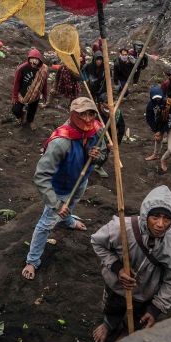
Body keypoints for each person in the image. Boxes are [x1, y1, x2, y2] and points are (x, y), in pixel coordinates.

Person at [90, 185, 171, 342]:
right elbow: (97, 242)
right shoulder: (121, 228)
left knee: (138, 318)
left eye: (166, 219)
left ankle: (127, 332)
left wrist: (156, 308)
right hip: (116, 286)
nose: (161, 224)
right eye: (155, 217)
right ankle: (109, 324)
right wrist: (117, 268)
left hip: (146, 293)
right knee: (112, 307)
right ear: (145, 215)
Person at [21, 97, 105, 280]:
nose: (88, 119)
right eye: (83, 115)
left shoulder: (97, 129)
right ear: (73, 115)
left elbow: (104, 151)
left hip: (81, 181)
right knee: (46, 224)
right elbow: (41, 176)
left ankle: (69, 221)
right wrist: (56, 203)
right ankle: (32, 260)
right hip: (60, 188)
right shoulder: (60, 142)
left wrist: (97, 156)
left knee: (72, 205)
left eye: (91, 113)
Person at [11, 49, 49, 130]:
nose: (33, 62)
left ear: (39, 60)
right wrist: (14, 96)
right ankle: (20, 116)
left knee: (32, 109)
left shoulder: (43, 69)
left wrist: (45, 94)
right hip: (22, 94)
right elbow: (16, 83)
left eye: (36, 60)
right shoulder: (22, 68)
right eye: (32, 59)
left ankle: (30, 121)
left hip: (35, 94)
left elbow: (44, 83)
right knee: (15, 110)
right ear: (29, 59)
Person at [145, 85, 171, 173]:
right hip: (159, 124)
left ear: (162, 95)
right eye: (155, 98)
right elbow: (149, 118)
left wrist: (161, 131)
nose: (157, 99)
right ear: (151, 97)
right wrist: (156, 131)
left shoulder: (169, 103)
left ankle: (163, 159)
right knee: (158, 139)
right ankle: (156, 154)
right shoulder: (150, 105)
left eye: (159, 97)